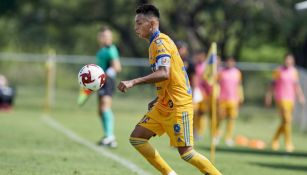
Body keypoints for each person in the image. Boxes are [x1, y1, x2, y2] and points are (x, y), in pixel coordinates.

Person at [117, 4, 221, 175]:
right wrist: (159, 97)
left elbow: (164, 73)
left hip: (180, 104)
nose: (135, 27)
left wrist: (133, 82)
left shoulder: (161, 42)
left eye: (139, 23)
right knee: (137, 138)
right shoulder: (153, 44)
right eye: (135, 23)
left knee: (187, 153)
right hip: (164, 103)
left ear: (152, 24)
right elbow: (169, 76)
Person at [78, 26, 122, 148]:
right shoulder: (101, 50)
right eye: (103, 36)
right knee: (100, 111)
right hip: (101, 82)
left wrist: (104, 75)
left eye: (107, 36)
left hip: (107, 82)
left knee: (105, 107)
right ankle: (108, 136)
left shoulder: (110, 49)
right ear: (99, 37)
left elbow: (117, 67)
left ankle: (110, 137)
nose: (105, 38)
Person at [265, 53, 305, 152]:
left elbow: (296, 86)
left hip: (291, 99)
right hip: (281, 98)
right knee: (287, 120)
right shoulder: (278, 71)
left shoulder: (294, 72)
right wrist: (268, 96)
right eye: (287, 59)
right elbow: (272, 85)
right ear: (284, 60)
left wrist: (301, 96)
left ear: (293, 61)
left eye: (290, 60)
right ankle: (288, 144)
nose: (288, 61)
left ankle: (274, 140)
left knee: (284, 122)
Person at [215, 57, 244, 146]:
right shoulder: (221, 72)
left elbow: (239, 85)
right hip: (223, 99)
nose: (230, 63)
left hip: (233, 99)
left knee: (231, 119)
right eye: (228, 61)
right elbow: (216, 84)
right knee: (220, 119)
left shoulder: (237, 73)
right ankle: (216, 136)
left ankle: (228, 137)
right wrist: (216, 94)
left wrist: (241, 96)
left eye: (232, 62)